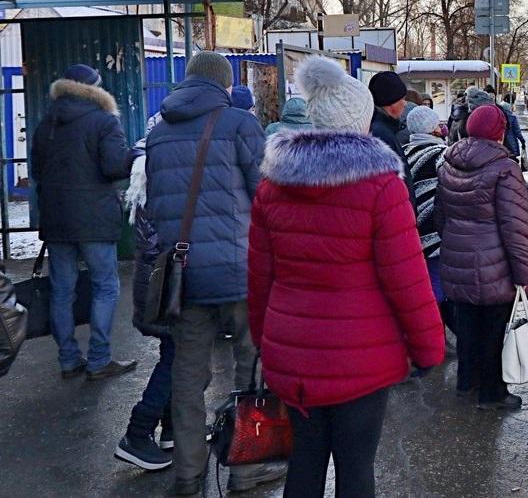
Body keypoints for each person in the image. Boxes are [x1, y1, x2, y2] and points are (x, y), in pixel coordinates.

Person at [249, 57, 444, 498]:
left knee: (303, 463)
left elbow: (260, 276)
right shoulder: (381, 185)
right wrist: (428, 348)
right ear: (360, 118)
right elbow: (407, 280)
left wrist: (263, 340)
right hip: (362, 357)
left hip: (292, 353)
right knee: (356, 469)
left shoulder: (273, 185)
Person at [144, 51, 284, 496]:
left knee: (187, 374)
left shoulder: (160, 131)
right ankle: (247, 465)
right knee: (251, 364)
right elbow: (266, 193)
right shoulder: (240, 124)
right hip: (238, 267)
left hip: (182, 274)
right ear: (225, 86)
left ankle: (188, 472)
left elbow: (153, 202)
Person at [30, 64, 135, 381]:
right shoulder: (104, 121)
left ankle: (68, 360)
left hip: (57, 217)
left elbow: (37, 171)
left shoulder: (46, 123)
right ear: (94, 89)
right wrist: (135, 154)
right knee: (105, 286)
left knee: (62, 290)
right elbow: (115, 167)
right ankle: (99, 359)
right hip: (94, 219)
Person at [436, 104, 528, 410]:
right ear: (499, 131)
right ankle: (492, 394)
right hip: (496, 267)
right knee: (494, 333)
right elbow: (515, 227)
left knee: (466, 329)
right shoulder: (504, 169)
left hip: (457, 261)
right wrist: (524, 274)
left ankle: (466, 384)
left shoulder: (448, 162)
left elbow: (441, 217)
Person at [112, 114, 175, 471]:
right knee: (177, 354)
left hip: (154, 276)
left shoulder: (144, 163)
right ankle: (138, 432)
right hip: (166, 277)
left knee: (175, 349)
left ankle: (170, 429)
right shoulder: (161, 169)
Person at [403, 106, 452, 333]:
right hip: (435, 227)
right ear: (432, 129)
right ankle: (432, 331)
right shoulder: (440, 154)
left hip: (410, 227)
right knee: (437, 284)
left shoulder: (402, 150)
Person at [368, 71, 410, 153]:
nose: (405, 104)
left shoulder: (379, 128)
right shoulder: (382, 135)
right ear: (391, 101)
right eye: (402, 99)